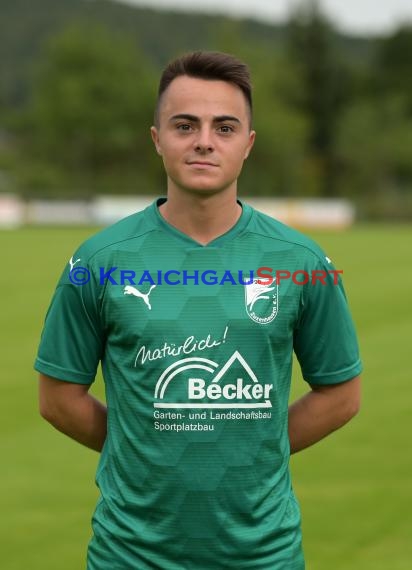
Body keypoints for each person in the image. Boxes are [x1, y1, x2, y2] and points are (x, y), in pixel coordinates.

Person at [35, 51, 362, 570]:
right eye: (185, 125)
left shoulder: (301, 262)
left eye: (224, 127)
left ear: (248, 144)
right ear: (157, 138)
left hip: (264, 556)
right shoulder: (96, 261)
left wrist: (256, 447)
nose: (204, 140)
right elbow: (57, 398)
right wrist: (139, 448)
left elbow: (341, 393)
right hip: (131, 554)